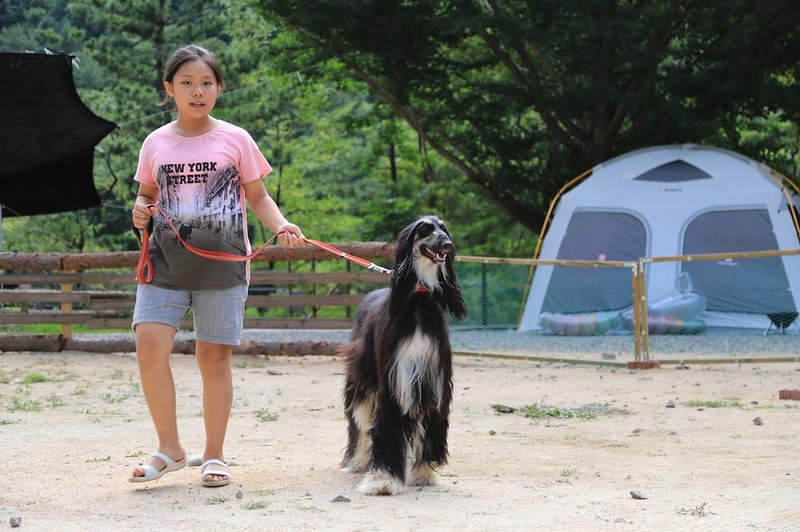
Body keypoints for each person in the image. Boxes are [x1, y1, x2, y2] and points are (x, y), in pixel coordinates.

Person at [128, 44, 305, 488]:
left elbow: (258, 196)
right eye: (187, 82)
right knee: (149, 349)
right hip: (164, 265)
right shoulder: (156, 142)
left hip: (223, 267)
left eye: (207, 82)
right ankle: (169, 449)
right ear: (169, 89)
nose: (197, 91)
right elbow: (147, 194)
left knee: (214, 359)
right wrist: (140, 209)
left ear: (220, 88)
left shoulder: (236, 138)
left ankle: (214, 455)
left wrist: (282, 225)